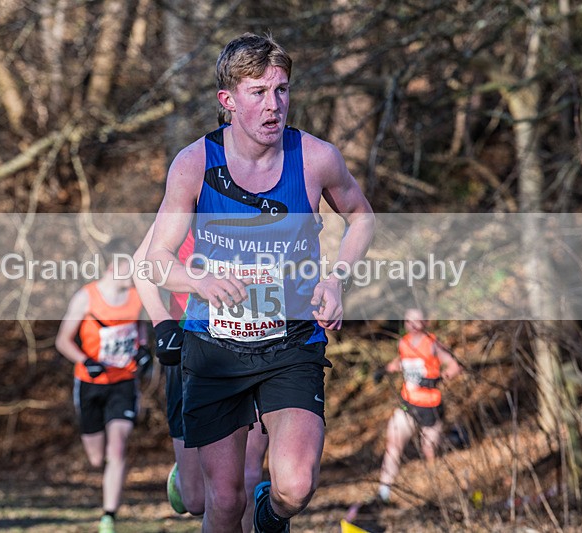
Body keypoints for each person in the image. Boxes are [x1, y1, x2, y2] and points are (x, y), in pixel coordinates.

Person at [145, 33, 375, 533]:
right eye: (258, 92)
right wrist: (199, 282)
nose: (274, 105)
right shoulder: (194, 163)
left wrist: (336, 279)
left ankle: (272, 519)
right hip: (215, 345)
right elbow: (157, 261)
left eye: (282, 90)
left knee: (294, 485)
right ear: (228, 101)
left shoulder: (315, 158)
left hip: (291, 341)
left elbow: (362, 218)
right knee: (222, 502)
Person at [133, 224, 270, 532]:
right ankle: (183, 478)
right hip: (190, 344)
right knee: (196, 500)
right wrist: (163, 325)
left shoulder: (265, 196)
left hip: (256, 347)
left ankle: (263, 512)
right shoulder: (192, 192)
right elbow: (141, 265)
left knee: (248, 475)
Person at [55, 237, 150, 533]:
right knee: (97, 458)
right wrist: (86, 360)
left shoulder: (137, 299)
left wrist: (144, 351)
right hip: (90, 384)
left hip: (123, 383)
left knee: (118, 448)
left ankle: (109, 515)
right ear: (114, 267)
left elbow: (141, 330)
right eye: (130, 268)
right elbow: (62, 341)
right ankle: (104, 485)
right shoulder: (87, 298)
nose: (134, 275)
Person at [371, 307, 462, 505]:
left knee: (430, 452)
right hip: (408, 405)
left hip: (430, 407)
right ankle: (383, 493)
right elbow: (402, 362)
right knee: (393, 446)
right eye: (408, 321)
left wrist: (441, 376)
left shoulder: (432, 344)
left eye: (416, 321)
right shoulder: (403, 343)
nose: (412, 325)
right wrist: (384, 370)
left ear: (425, 323)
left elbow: (454, 365)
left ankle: (436, 496)